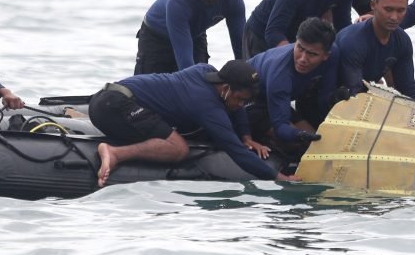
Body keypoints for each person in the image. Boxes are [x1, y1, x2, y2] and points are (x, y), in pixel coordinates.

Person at [88, 60, 300, 187]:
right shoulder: (206, 105)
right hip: (113, 106)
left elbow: (237, 109)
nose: (241, 105)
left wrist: (246, 136)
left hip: (106, 97)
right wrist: (279, 177)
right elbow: (236, 151)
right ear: (226, 88)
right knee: (178, 148)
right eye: (240, 99)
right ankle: (115, 153)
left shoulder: (205, 71)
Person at [335, 0, 415, 105]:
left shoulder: (402, 40)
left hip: (363, 94)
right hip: (336, 98)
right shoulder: (353, 41)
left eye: (401, 10)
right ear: (373, 5)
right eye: (388, 9)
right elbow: (354, 93)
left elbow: (407, 90)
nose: (394, 17)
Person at [247, 17, 342, 147]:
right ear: (296, 41)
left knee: (321, 142)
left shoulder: (334, 54)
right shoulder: (280, 74)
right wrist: (297, 135)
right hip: (252, 102)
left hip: (279, 100)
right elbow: (280, 126)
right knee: (303, 145)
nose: (302, 59)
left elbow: (325, 95)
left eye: (312, 54)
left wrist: (336, 97)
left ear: (326, 55)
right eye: (300, 48)